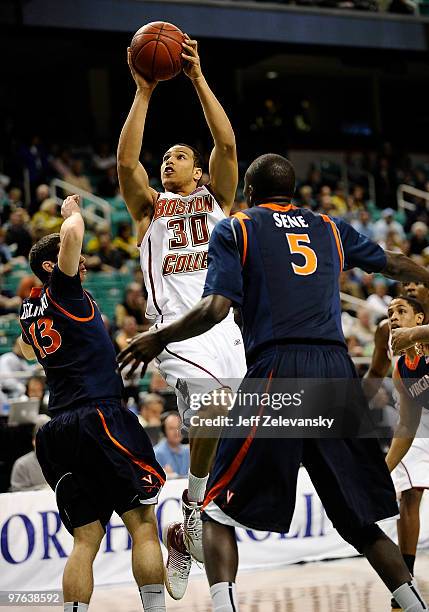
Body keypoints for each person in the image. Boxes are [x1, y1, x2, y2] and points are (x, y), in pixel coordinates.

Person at [118, 154, 429, 612]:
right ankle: (415, 604)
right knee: (357, 519)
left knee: (217, 509)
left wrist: (157, 337)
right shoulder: (328, 226)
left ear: (248, 193)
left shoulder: (238, 227)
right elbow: (395, 263)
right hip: (334, 369)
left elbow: (216, 308)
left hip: (277, 371)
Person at [117, 33, 246, 598]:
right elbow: (126, 162)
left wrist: (196, 78)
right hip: (174, 327)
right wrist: (144, 93)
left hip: (226, 327)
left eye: (178, 156)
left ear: (197, 171)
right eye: (164, 158)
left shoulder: (217, 199)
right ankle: (193, 506)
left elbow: (228, 143)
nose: (167, 161)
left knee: (219, 428)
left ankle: (187, 524)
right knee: (213, 404)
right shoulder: (150, 207)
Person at [18, 195, 166, 612]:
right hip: (98, 414)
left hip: (57, 430)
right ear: (52, 267)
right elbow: (74, 233)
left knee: (86, 539)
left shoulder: (32, 309)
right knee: (143, 527)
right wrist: (72, 215)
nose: (82, 263)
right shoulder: (62, 289)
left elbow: (27, 350)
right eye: (74, 260)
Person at [363, 282, 429, 609]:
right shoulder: (403, 369)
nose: (394, 318)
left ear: (420, 317)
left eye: (401, 311)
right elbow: (407, 424)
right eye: (390, 313)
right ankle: (408, 580)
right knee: (410, 492)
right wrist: (381, 471)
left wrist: (417, 336)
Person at [10, 416, 50, 491]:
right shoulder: (21, 465)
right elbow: (16, 493)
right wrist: (44, 489)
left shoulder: (63, 461)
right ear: (34, 441)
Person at [154, 412, 190, 479]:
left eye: (179, 427)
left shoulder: (188, 451)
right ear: (164, 431)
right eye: (171, 428)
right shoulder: (156, 453)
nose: (177, 431)